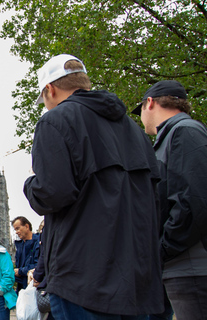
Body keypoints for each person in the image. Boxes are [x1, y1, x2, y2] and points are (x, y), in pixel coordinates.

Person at [23, 54, 164, 318]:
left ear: (49, 89)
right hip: (138, 280)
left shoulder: (54, 121)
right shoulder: (134, 130)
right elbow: (156, 199)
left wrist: (31, 183)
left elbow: (52, 193)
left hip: (83, 279)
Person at [133, 80, 207, 320]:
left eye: (141, 109)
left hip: (192, 267)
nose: (142, 118)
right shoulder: (173, 136)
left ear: (150, 103)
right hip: (184, 265)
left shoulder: (185, 131)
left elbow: (194, 201)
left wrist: (162, 249)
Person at [12, 216, 40, 292]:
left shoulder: (39, 242)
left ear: (27, 226)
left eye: (18, 228)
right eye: (15, 229)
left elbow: (39, 265)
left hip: (36, 287)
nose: (16, 232)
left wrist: (20, 271)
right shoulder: (20, 245)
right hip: (23, 287)